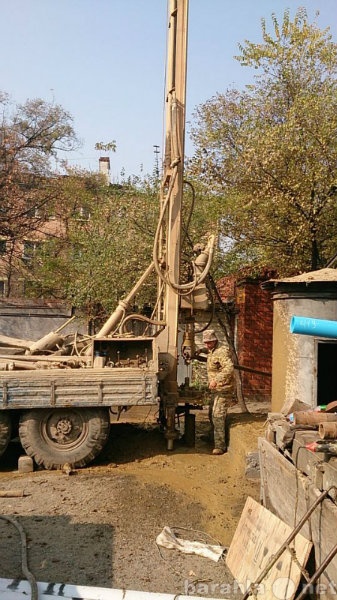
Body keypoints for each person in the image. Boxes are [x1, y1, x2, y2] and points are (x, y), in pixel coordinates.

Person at [198, 329, 236, 455]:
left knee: (218, 416)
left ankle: (220, 446)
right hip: (216, 389)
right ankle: (212, 437)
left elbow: (229, 368)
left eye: (209, 343)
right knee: (210, 413)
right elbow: (208, 351)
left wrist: (216, 380)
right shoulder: (212, 349)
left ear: (214, 341)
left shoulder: (222, 352)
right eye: (205, 343)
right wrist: (200, 351)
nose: (206, 345)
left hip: (223, 388)